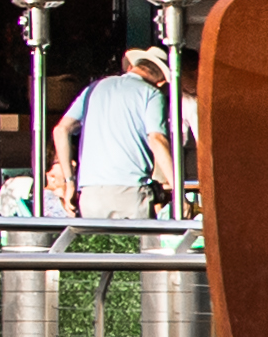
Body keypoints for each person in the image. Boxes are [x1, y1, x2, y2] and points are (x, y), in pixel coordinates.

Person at [61, 46, 180, 217]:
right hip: (131, 192)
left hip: (90, 194)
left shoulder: (94, 88)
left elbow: (61, 129)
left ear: (132, 67)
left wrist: (69, 182)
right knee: (141, 243)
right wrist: (178, 191)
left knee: (97, 244)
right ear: (162, 82)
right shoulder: (152, 93)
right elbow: (157, 139)